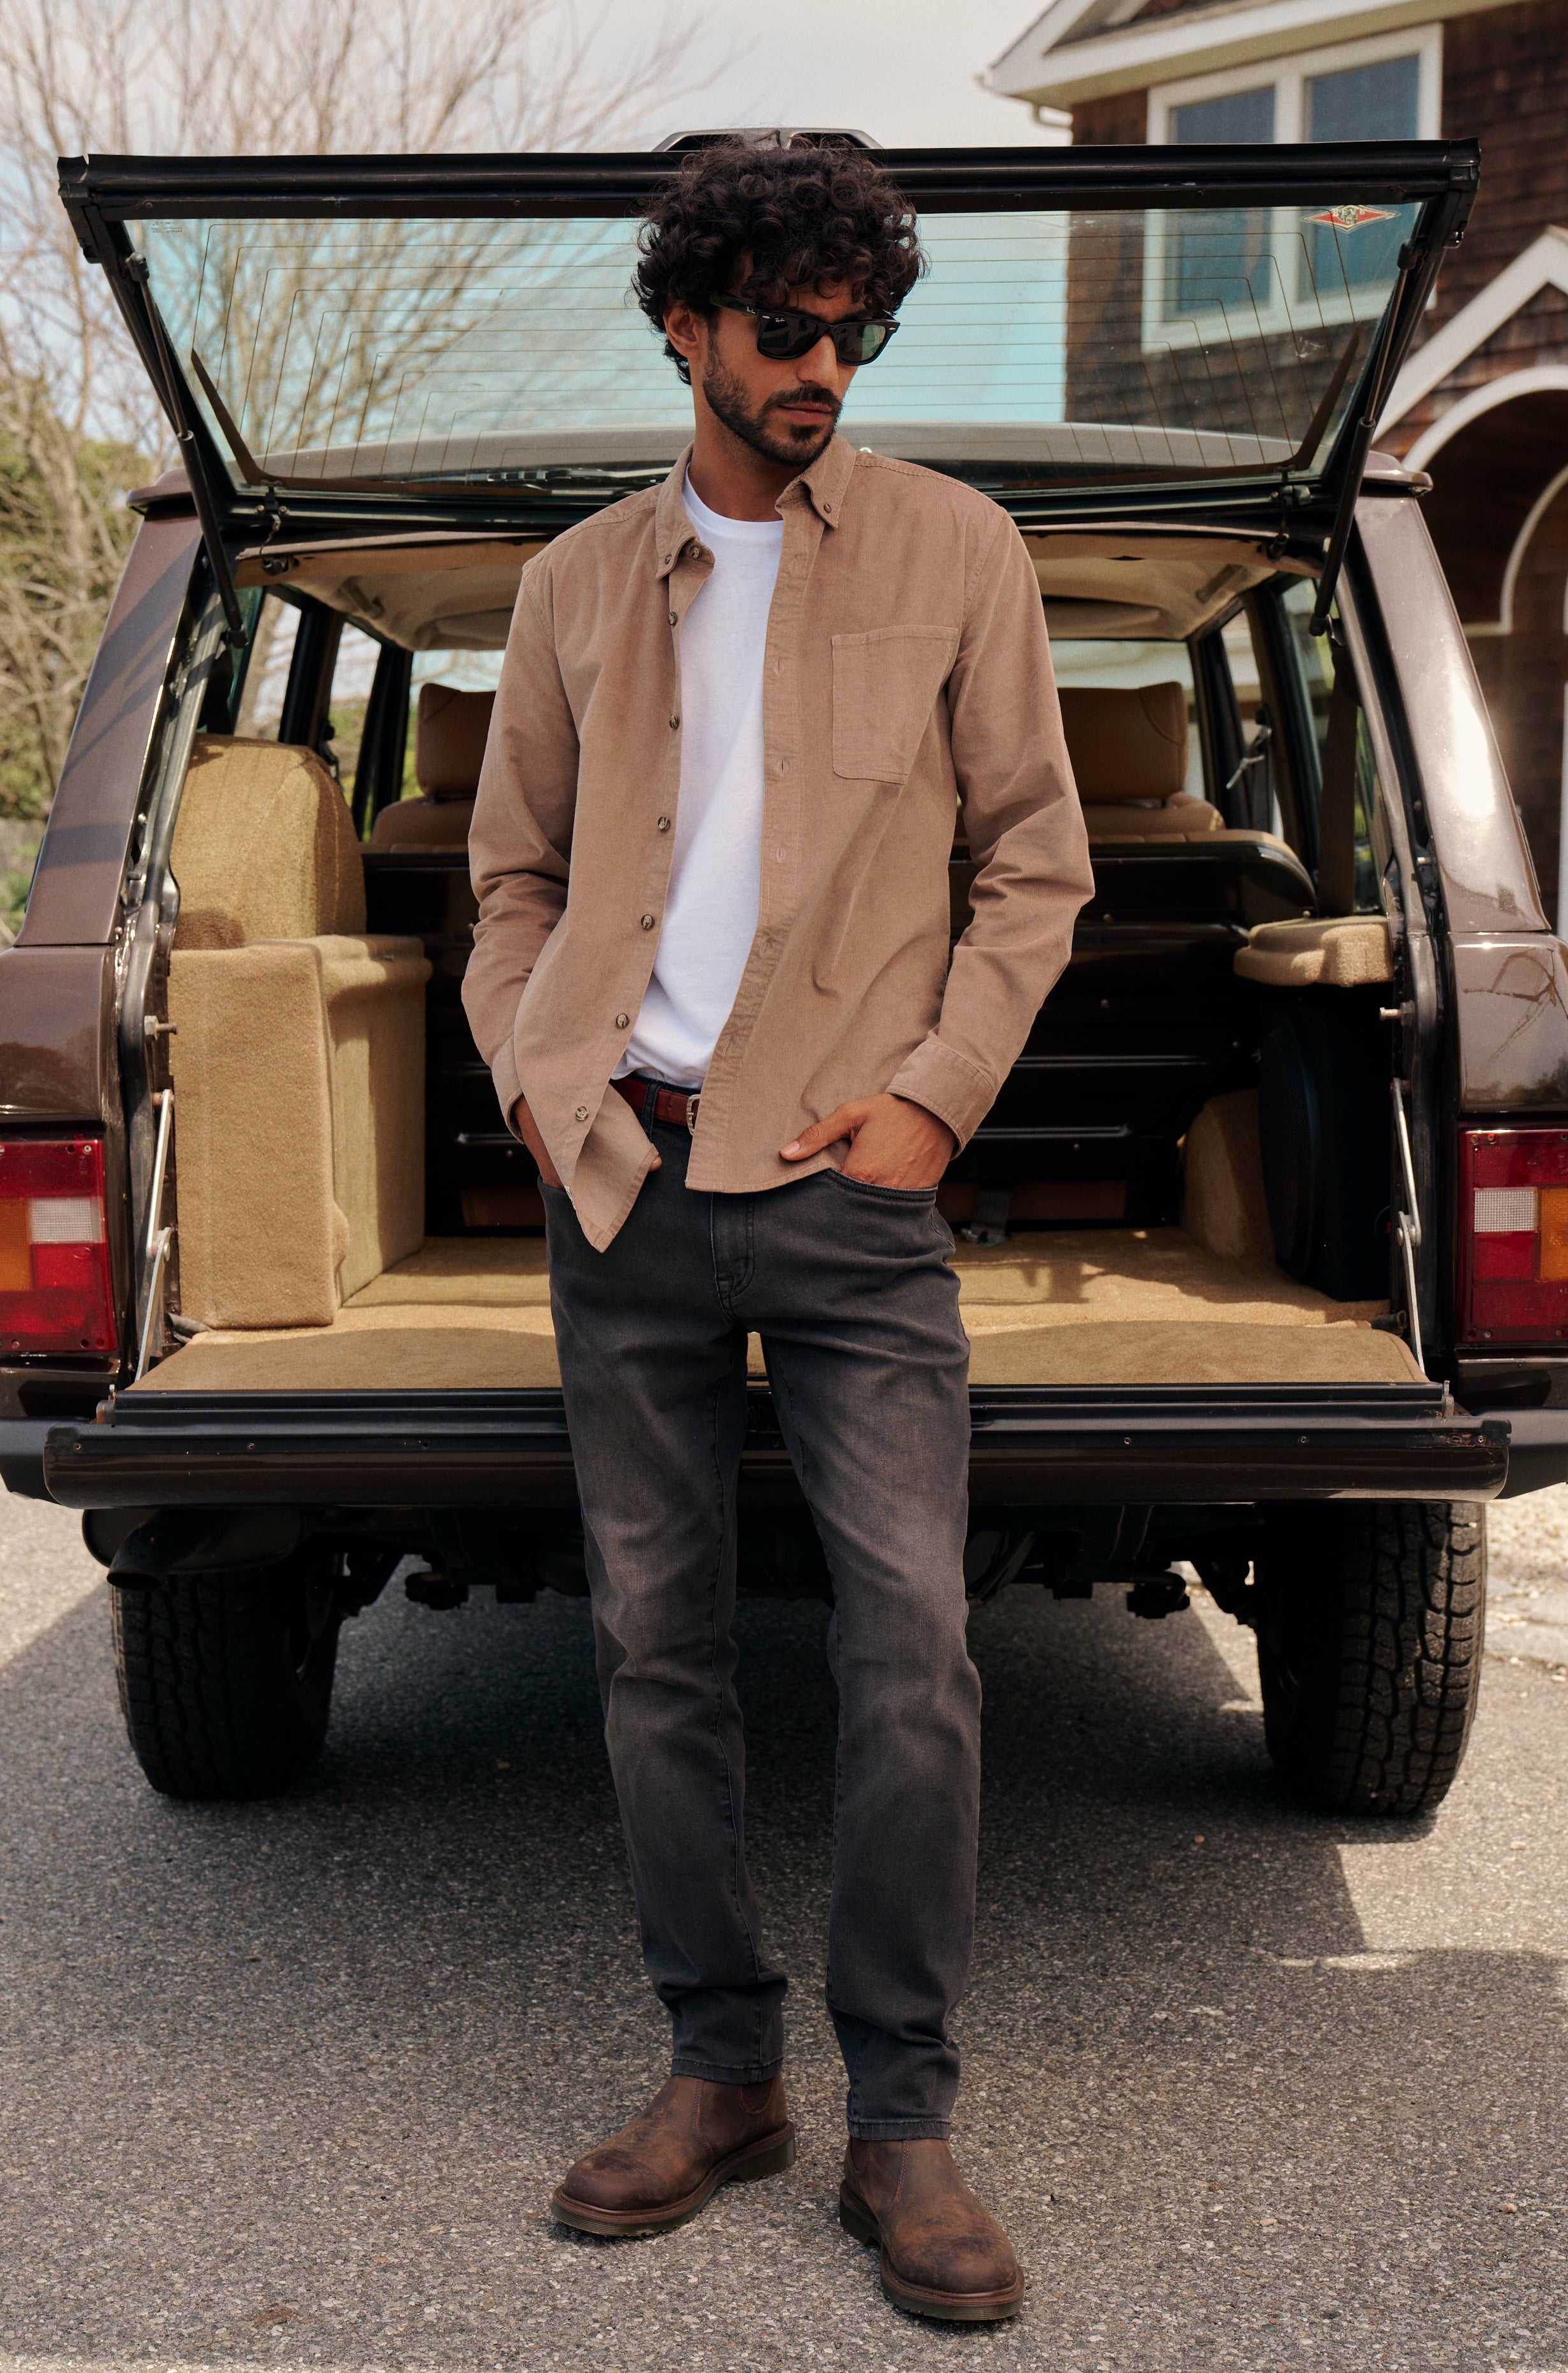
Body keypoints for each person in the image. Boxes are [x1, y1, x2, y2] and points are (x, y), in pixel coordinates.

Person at [462, 134, 1091, 2323]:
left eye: (861, 329)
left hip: (848, 1191)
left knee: (909, 1638)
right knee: (654, 1645)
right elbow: (511, 886)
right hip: (623, 1180)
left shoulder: (958, 549)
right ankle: (720, 2071)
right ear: (689, 329)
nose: (832, 364)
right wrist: (543, 1089)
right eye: (792, 329)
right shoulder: (571, 590)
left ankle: (902, 2120)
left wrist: (931, 1102)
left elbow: (1036, 865)